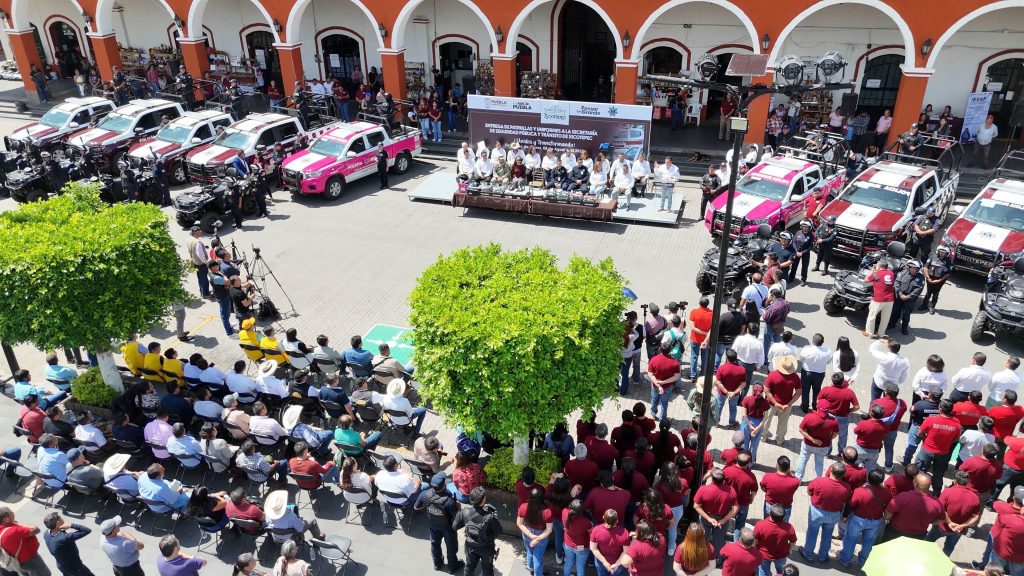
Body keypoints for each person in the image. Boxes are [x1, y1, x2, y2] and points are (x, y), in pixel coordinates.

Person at [838, 469, 891, 567]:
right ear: (881, 481)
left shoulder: (860, 491)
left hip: (857, 520)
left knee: (850, 539)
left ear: (868, 479)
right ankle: (863, 561)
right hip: (875, 521)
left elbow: (850, 505)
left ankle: (845, 560)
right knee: (868, 542)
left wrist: (845, 516)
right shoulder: (887, 493)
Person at [801, 461, 851, 563]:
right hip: (834, 515)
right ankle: (823, 556)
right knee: (827, 534)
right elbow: (845, 500)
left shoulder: (819, 481)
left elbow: (809, 492)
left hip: (817, 512)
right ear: (843, 475)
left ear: (831, 470)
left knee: (812, 532)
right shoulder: (846, 487)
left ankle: (808, 554)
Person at [915, 399, 962, 494]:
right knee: (938, 474)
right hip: (943, 453)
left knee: (920, 471)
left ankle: (917, 488)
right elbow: (956, 439)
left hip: (927, 451)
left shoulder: (931, 420)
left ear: (940, 409)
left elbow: (920, 432)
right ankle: (936, 492)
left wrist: (925, 440)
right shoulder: (957, 425)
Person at [454, 487, 501, 576]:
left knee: (469, 566)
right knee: (487, 569)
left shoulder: (465, 512)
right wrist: (495, 517)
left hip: (470, 545)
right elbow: (498, 531)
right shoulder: (490, 516)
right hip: (486, 548)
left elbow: (454, 527)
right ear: (483, 500)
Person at [692, 468, 737, 557]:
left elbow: (696, 506)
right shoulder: (731, 491)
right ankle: (718, 559)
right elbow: (735, 509)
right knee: (719, 540)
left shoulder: (703, 489)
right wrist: (723, 520)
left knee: (702, 538)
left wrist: (709, 518)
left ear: (712, 479)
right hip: (722, 519)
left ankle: (700, 557)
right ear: (723, 480)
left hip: (706, 518)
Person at [0, 505, 51, 576]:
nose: (13, 512)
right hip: (31, 560)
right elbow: (36, 529)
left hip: (18, 562)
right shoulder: (14, 530)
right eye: (10, 512)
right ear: (6, 519)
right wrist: (17, 524)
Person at [795, 400, 840, 480]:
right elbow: (836, 433)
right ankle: (817, 481)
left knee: (803, 459)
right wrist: (829, 439)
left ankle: (798, 479)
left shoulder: (809, 416)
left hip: (808, 444)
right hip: (823, 446)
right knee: (819, 463)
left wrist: (813, 440)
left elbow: (801, 429)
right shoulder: (834, 421)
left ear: (817, 407)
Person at [762, 356, 801, 445]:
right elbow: (798, 393)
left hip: (771, 403)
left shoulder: (772, 374)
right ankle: (779, 440)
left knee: (766, 419)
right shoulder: (795, 377)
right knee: (783, 423)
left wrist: (775, 403)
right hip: (786, 404)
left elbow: (767, 391)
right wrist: (789, 404)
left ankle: (763, 436)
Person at [42, 512, 93, 576]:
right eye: (60, 518)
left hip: (61, 566)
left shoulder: (46, 534)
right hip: (75, 568)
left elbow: (52, 552)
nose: (62, 519)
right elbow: (86, 530)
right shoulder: (64, 538)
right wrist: (71, 525)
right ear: (57, 523)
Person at [723, 453, 758, 540]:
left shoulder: (727, 471)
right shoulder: (751, 476)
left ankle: (721, 537)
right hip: (742, 504)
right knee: (740, 524)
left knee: (724, 519)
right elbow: (754, 491)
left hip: (728, 503)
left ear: (736, 460)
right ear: (748, 463)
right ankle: (736, 542)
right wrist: (751, 499)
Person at [868, 338, 910, 402]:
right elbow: (905, 375)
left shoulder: (884, 357)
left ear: (889, 348)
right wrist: (898, 382)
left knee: (874, 401)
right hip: (892, 386)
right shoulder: (905, 361)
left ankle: (872, 411)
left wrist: (879, 341)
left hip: (879, 382)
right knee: (888, 402)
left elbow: (872, 349)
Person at [862, 260, 895, 338]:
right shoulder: (891, 273)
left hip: (878, 299)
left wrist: (872, 271)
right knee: (885, 318)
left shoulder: (876, 273)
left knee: (872, 317)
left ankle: (869, 333)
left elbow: (866, 280)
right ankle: (881, 334)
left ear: (879, 267)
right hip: (890, 299)